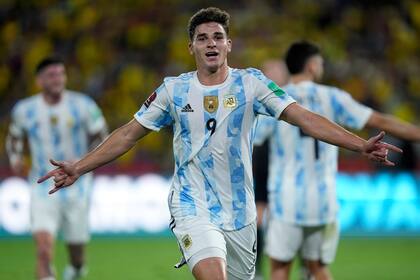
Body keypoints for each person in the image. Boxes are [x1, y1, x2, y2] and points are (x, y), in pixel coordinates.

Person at [38, 8, 400, 280]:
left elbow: (304, 118)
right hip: (192, 203)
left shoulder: (253, 85)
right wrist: (79, 166)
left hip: (240, 211)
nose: (211, 43)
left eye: (217, 36)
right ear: (192, 46)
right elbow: (129, 134)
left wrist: (359, 145)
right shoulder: (172, 90)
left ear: (229, 44)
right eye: (202, 37)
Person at [253, 40, 420, 280]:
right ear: (311, 65)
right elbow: (380, 121)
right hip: (324, 201)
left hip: (286, 200)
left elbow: (252, 140)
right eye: (320, 62)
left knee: (280, 269)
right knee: (317, 268)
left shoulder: (277, 101)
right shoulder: (333, 97)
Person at [6, 57, 107, 280]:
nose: (58, 79)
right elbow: (14, 137)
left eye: (61, 74)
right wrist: (15, 158)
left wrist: (85, 162)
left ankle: (76, 270)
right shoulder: (25, 109)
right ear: (39, 80)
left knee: (77, 255)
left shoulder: (84, 105)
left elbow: (101, 136)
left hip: (77, 185)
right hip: (42, 185)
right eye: (51, 75)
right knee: (43, 250)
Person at [252, 59, 289, 280]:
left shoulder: (291, 100)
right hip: (263, 157)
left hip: (287, 164)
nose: (274, 76)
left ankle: (305, 267)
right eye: (270, 72)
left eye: (278, 72)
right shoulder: (257, 99)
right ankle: (256, 268)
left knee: (287, 218)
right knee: (258, 213)